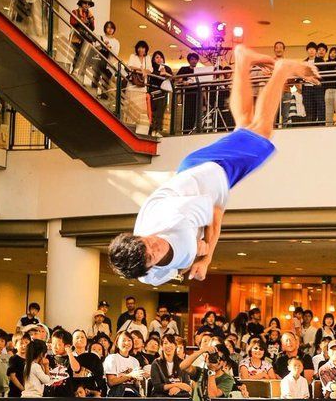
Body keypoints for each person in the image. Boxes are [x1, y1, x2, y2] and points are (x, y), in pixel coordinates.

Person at [109, 47, 318, 285]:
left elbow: (216, 212)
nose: (154, 246)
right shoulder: (152, 276)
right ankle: (243, 60)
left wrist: (206, 258)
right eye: (150, 256)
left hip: (211, 171)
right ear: (147, 269)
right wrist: (195, 251)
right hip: (197, 177)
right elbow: (175, 262)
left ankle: (281, 71)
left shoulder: (172, 219)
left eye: (146, 243)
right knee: (246, 126)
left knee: (262, 133)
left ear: (138, 237)